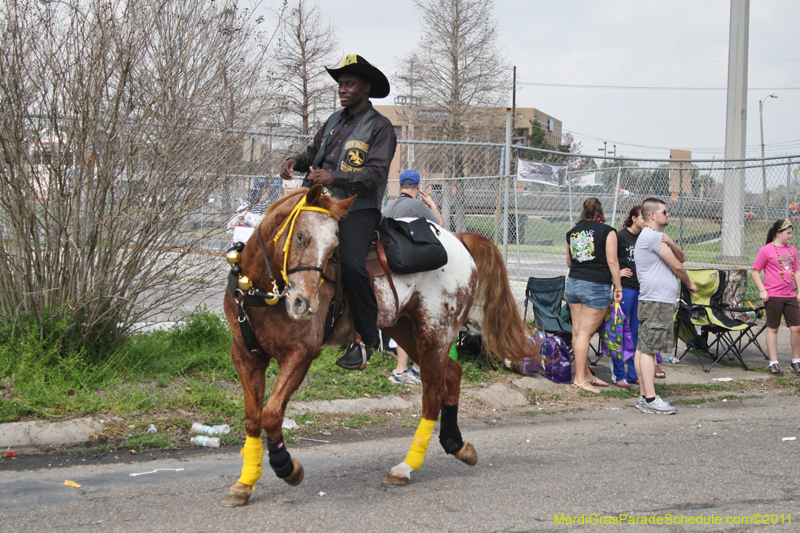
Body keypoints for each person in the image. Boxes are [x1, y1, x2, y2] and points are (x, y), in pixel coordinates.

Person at [279, 54, 397, 371]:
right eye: (341, 84)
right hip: (318, 202)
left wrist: (335, 178)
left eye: (349, 84)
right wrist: (295, 161)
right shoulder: (333, 121)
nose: (342, 89)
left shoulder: (380, 127)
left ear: (366, 88)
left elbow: (376, 174)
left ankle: (365, 341)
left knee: (354, 265)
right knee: (279, 239)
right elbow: (313, 153)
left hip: (356, 208)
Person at [633, 197, 695, 415]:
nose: (668, 215)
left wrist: (671, 242)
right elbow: (677, 266)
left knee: (643, 348)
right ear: (652, 215)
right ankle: (650, 398)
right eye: (664, 212)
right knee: (649, 350)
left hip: (654, 299)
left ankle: (644, 396)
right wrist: (689, 283)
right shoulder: (651, 236)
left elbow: (681, 257)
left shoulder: (655, 237)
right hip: (657, 301)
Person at [382, 169, 444, 385]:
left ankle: (401, 371)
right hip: (414, 267)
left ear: (400, 186)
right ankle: (415, 370)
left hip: (393, 269)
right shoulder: (418, 206)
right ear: (418, 187)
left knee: (404, 320)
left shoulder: (389, 207)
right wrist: (432, 206)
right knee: (418, 319)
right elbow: (441, 226)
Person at [565, 197, 623, 394]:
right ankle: (579, 379)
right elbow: (613, 261)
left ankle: (586, 374)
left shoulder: (572, 232)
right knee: (585, 334)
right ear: (600, 212)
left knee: (577, 332)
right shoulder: (608, 231)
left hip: (573, 283)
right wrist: (618, 288)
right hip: (596, 285)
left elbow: (570, 263)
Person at [750, 219, 800, 375]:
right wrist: (762, 290)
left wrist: (799, 291)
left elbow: (796, 271)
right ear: (778, 233)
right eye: (788, 233)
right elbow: (755, 271)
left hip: (790, 295)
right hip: (773, 295)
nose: (790, 236)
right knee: (773, 328)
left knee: (796, 328)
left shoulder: (792, 250)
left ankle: (796, 360)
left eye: (791, 233)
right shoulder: (766, 250)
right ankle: (773, 362)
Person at [612, 206, 644, 388]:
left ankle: (633, 373)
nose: (646, 221)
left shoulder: (645, 237)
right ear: (633, 218)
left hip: (641, 289)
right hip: (626, 289)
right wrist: (617, 274)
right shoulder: (621, 236)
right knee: (619, 331)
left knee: (635, 332)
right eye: (642, 217)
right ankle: (618, 373)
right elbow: (611, 259)